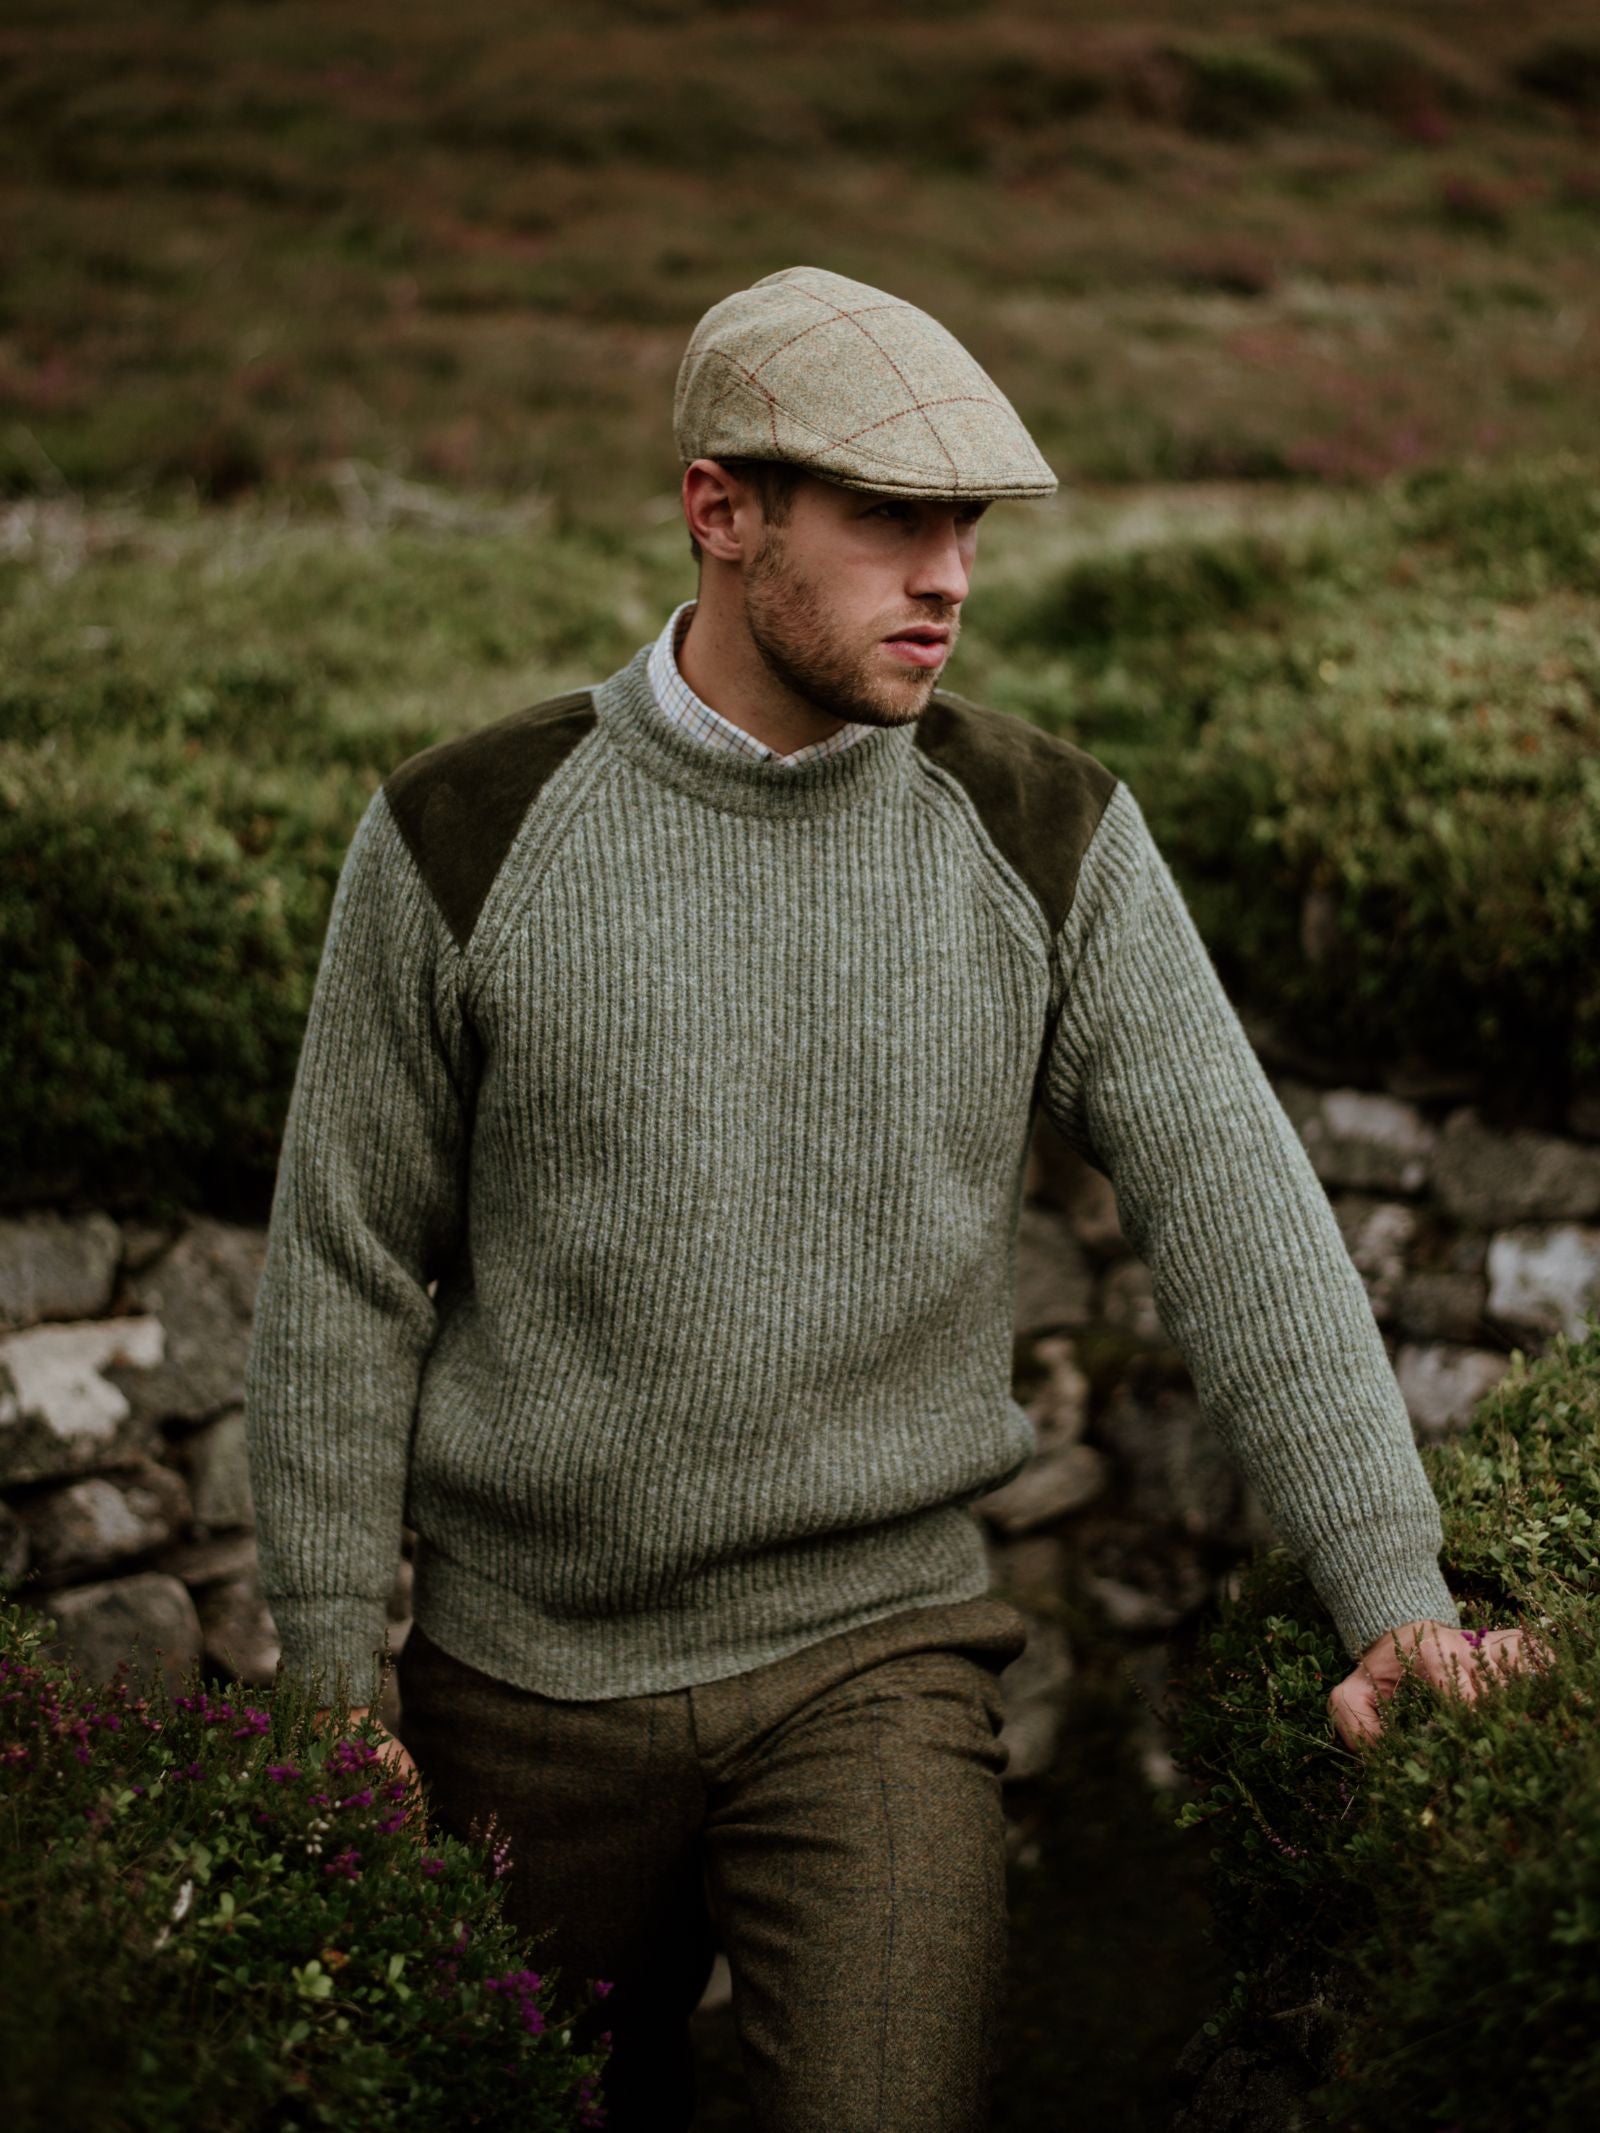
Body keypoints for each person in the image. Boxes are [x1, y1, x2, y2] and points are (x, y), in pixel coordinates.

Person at [243, 264, 1538, 2131]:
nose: (949, 574)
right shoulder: (461, 833)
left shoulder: (1045, 834)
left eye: (969, 526)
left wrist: (1394, 1600)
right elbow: (346, 1266)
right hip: (526, 1684)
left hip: (881, 1658)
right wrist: (323, 1679)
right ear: (722, 510)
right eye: (889, 518)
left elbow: (1236, 1209)